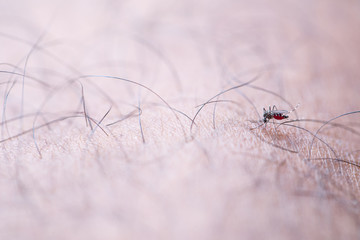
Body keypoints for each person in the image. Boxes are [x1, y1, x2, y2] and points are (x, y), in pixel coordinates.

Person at [0, 0, 359, 239]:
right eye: (271, 118)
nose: (271, 119)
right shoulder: (270, 115)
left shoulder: (274, 117)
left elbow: (275, 118)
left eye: (271, 119)